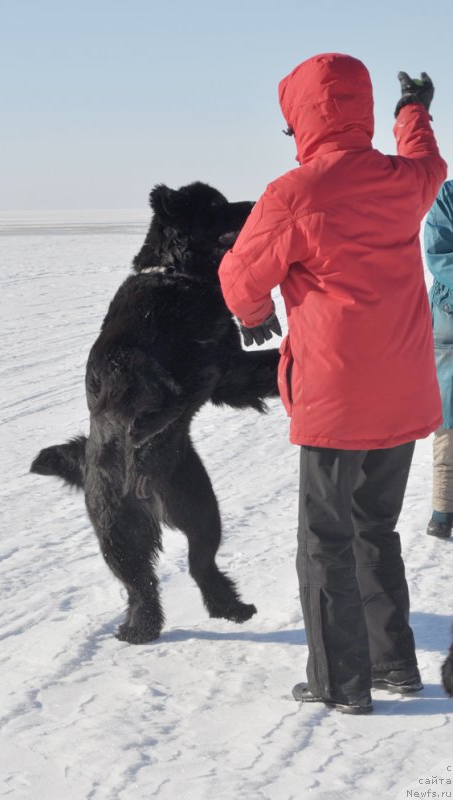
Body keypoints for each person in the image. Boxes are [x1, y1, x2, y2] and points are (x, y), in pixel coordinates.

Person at [219, 53, 446, 714]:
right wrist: (415, 112)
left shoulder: (294, 193)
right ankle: (395, 666)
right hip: (402, 394)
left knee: (325, 542)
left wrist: (255, 314)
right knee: (375, 530)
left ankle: (340, 684)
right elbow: (431, 163)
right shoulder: (402, 181)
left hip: (336, 401)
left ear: (301, 118)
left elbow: (239, 277)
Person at [425, 181, 453, 539]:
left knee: (449, 418)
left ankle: (442, 512)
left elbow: (437, 252)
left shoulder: (447, 195)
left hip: (447, 311)